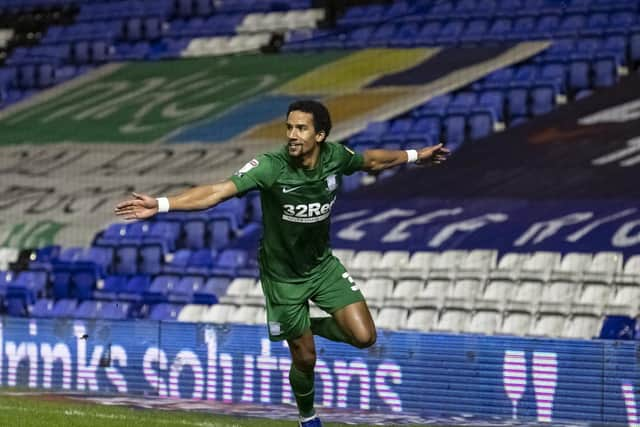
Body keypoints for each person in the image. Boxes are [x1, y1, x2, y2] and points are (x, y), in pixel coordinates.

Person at [115, 100, 449, 426]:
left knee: (365, 337)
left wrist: (416, 155)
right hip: (282, 276)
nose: (292, 134)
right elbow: (217, 192)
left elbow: (372, 161)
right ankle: (307, 417)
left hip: (322, 266)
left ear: (320, 135)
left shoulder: (335, 157)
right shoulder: (269, 166)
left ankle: (301, 325)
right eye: (289, 127)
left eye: (301, 128)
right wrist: (161, 204)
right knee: (306, 358)